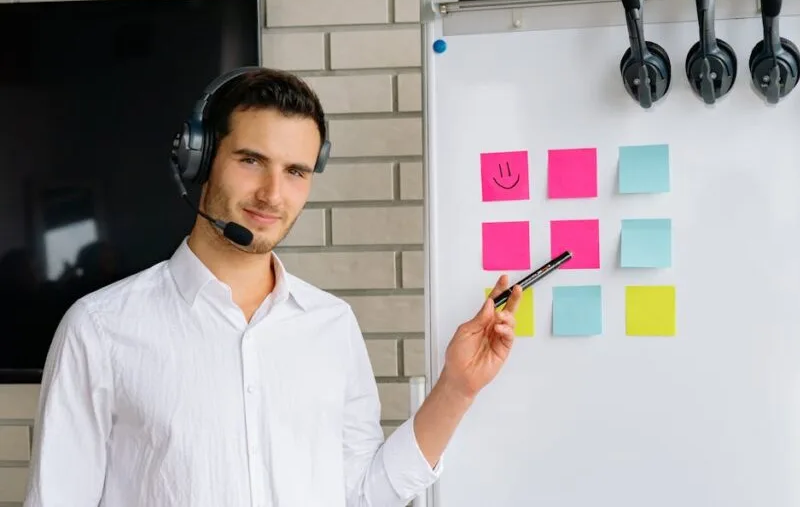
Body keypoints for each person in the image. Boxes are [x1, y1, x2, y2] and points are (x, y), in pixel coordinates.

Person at [22, 67, 523, 507]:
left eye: (296, 171)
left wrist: (457, 388)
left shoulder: (330, 325)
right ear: (198, 160)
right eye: (251, 160)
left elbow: (362, 495)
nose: (272, 194)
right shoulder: (101, 328)